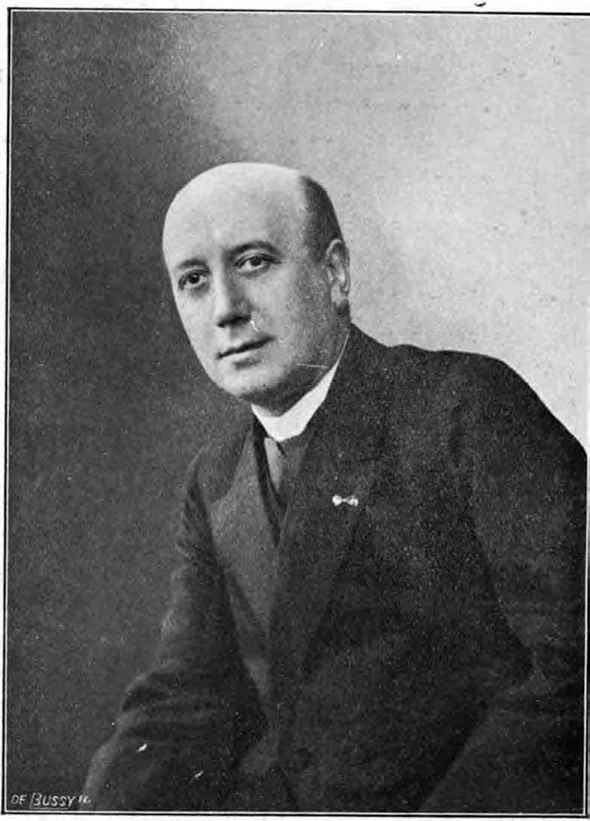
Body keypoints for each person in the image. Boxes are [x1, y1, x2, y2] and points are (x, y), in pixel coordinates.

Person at [83, 162, 586, 812]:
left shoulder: (466, 408)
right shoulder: (215, 476)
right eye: (194, 280)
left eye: (254, 262)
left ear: (335, 274)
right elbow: (185, 700)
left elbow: (571, 666)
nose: (226, 309)